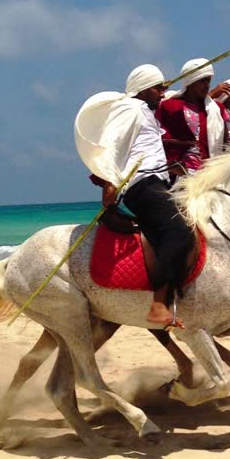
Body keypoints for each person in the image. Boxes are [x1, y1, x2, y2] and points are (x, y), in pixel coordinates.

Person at [75, 64, 188, 329]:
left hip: (156, 182)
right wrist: (109, 184)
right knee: (179, 232)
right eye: (159, 88)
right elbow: (113, 143)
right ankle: (159, 305)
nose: (163, 93)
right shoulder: (132, 109)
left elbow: (163, 103)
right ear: (145, 89)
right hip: (142, 185)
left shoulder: (143, 109)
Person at [156, 58, 230, 177]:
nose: (207, 85)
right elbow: (157, 139)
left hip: (208, 176)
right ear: (191, 81)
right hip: (175, 174)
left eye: (209, 81)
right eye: (203, 81)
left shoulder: (217, 109)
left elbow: (226, 144)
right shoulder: (169, 106)